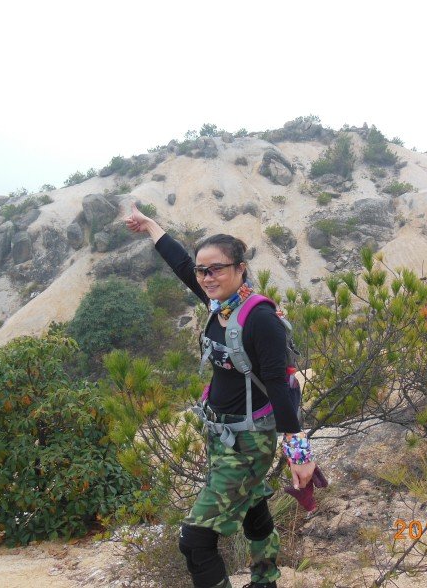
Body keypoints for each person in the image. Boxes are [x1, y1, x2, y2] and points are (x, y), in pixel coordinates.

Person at [124, 203, 315, 588]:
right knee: (254, 508)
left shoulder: (260, 318)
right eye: (202, 270)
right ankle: (266, 581)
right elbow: (181, 264)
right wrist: (151, 226)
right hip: (223, 435)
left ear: (240, 268)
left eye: (217, 269)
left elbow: (277, 385)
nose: (207, 277)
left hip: (249, 442)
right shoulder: (219, 304)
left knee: (194, 541)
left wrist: (299, 453)